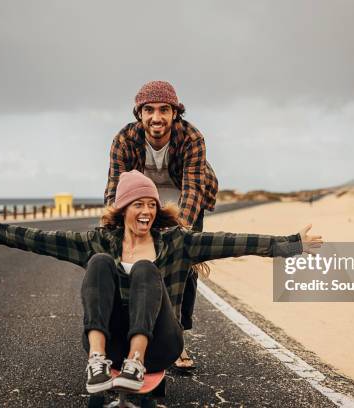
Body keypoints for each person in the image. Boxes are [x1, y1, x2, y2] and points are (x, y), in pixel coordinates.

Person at [0, 170, 323, 393]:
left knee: (148, 270)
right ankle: (97, 361)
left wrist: (292, 244)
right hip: (111, 341)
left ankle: (136, 361)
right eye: (138, 204)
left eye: (151, 203)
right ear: (123, 210)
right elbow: (40, 240)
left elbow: (236, 242)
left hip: (161, 344)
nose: (147, 210)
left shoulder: (176, 242)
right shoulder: (100, 241)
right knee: (99, 263)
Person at [104, 80, 218, 370]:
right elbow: (115, 189)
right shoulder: (124, 140)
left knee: (182, 261)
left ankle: (177, 340)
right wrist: (113, 231)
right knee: (132, 259)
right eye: (149, 110)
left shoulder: (192, 137)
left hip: (183, 194)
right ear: (139, 113)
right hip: (142, 195)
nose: (157, 117)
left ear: (175, 113)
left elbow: (193, 190)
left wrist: (180, 238)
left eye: (164, 110)